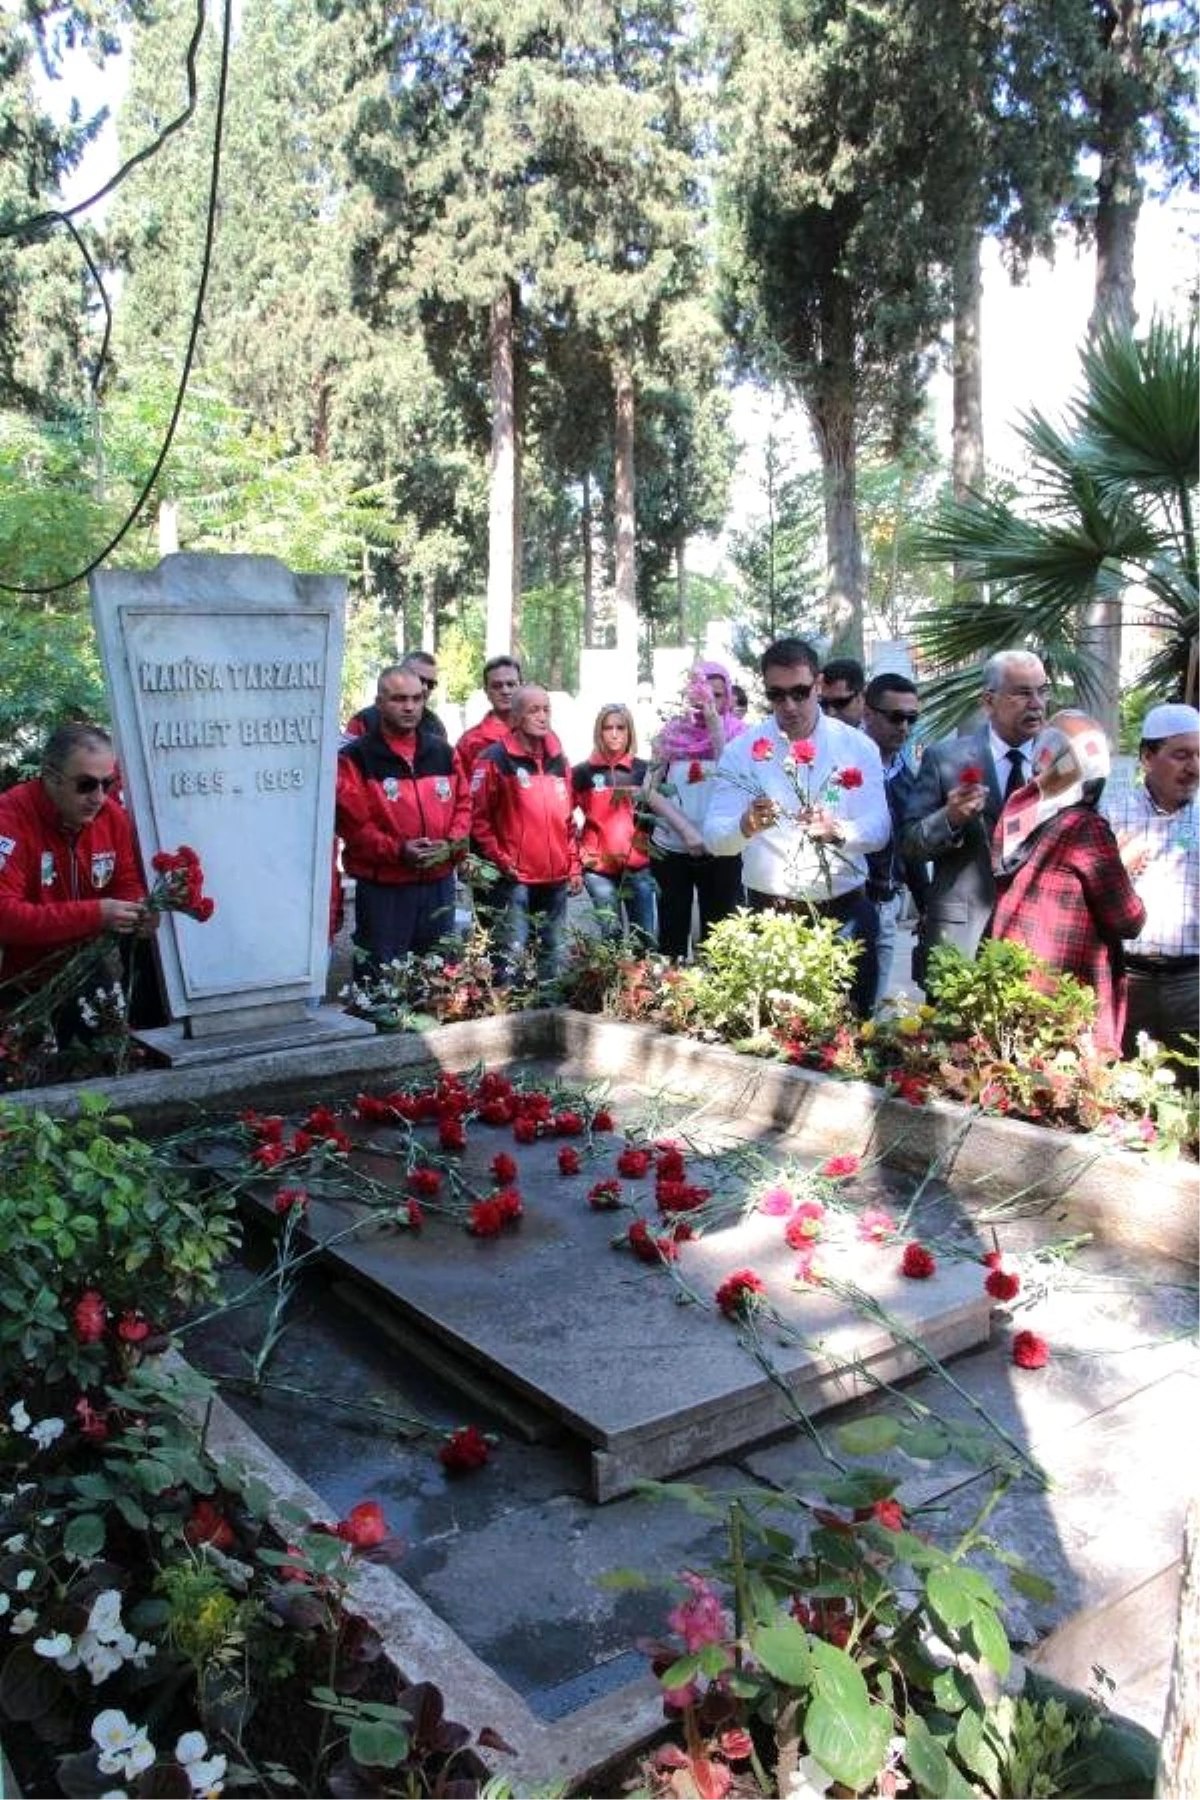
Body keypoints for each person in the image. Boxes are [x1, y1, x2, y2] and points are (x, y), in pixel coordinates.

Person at [704, 637, 889, 1017]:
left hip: (845, 917)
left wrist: (839, 830)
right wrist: (744, 826)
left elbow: (880, 828)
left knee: (850, 1040)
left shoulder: (857, 746)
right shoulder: (742, 750)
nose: (788, 705)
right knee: (771, 1047)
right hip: (770, 919)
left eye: (800, 693)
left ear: (818, 685)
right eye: (776, 695)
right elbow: (714, 838)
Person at [991, 711, 1145, 1055]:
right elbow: (1128, 919)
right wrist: (1125, 865)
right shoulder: (1086, 828)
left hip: (1017, 984)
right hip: (1066, 998)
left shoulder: (1018, 809)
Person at [901, 648, 1051, 979]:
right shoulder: (945, 759)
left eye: (1042, 691)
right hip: (961, 941)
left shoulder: (1061, 760)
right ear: (988, 701)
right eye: (1023, 693)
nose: (1037, 703)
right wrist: (950, 819)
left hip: (1038, 939)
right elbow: (910, 845)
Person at [0, 723, 150, 1015]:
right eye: (86, 785)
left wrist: (138, 910)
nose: (99, 797)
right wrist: (97, 915)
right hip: (25, 987)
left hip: (89, 975)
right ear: (51, 777)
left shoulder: (111, 816)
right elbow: (5, 916)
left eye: (107, 783)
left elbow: (126, 881)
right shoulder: (10, 818)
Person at [336, 665, 468, 971]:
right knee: (382, 976)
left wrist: (450, 845)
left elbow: (464, 805)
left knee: (438, 977)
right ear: (379, 703)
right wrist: (398, 850)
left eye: (416, 698)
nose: (409, 706)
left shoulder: (443, 752)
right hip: (386, 888)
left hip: (438, 883)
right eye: (398, 699)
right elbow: (355, 826)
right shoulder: (356, 759)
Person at [1103, 701, 1200, 1063]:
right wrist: (1119, 870)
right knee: (1123, 1086)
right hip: (1129, 977)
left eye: (1199, 755)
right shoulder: (1111, 813)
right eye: (1181, 755)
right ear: (1147, 757)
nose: (1194, 767)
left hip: (1192, 981)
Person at [469, 685, 582, 985]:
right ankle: (507, 1018)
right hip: (514, 880)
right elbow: (477, 818)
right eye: (534, 710)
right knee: (510, 955)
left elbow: (567, 819)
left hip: (555, 878)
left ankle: (548, 1013)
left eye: (546, 710)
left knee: (553, 953)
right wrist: (501, 860)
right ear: (516, 717)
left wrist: (573, 865)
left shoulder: (560, 760)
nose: (543, 717)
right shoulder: (493, 758)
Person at [571, 705, 700, 948]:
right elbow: (563, 818)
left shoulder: (645, 772)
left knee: (645, 939)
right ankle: (614, 986)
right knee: (612, 939)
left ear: (630, 732)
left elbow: (663, 812)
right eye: (608, 727)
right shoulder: (582, 773)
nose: (614, 733)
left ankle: (642, 985)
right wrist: (574, 864)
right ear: (598, 732)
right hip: (598, 870)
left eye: (621, 727)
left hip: (639, 867)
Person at [647, 660, 746, 959]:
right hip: (672, 847)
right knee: (672, 931)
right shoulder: (670, 733)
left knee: (719, 934)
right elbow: (648, 788)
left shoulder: (740, 734)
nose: (708, 703)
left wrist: (716, 728)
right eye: (702, 695)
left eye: (717, 695)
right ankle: (670, 994)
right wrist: (687, 830)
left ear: (727, 696)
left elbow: (735, 777)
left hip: (722, 848)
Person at [861, 672, 928, 1009]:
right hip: (843, 901)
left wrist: (926, 904)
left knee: (871, 1011)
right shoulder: (843, 763)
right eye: (895, 716)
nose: (903, 726)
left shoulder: (908, 775)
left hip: (887, 904)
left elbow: (912, 846)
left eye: (911, 718)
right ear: (867, 712)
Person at [343, 653, 448, 743]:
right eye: (419, 679)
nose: (425, 688)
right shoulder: (363, 721)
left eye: (431, 684)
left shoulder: (436, 727)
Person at [455, 655, 523, 781]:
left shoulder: (539, 736)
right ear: (486, 691)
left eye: (511, 684)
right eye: (497, 686)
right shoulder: (469, 742)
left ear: (521, 687)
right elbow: (461, 792)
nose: (505, 691)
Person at [819, 657, 866, 728]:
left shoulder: (878, 734)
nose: (831, 713)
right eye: (824, 704)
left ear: (861, 696)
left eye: (840, 703)